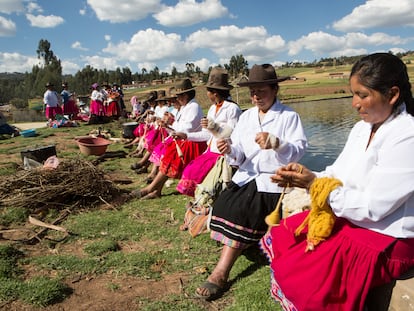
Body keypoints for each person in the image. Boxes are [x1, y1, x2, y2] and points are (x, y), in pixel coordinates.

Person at [261, 53, 414, 311]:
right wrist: (305, 176)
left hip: (388, 237)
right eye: (352, 94)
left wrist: (314, 186)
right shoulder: (361, 129)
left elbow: (375, 207)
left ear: (393, 94)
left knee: (310, 275)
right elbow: (336, 174)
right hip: (357, 220)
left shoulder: (407, 135)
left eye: (362, 95)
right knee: (285, 235)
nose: (354, 104)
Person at [195, 64, 308, 300]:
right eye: (253, 92)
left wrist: (276, 143)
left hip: (274, 178)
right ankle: (250, 243)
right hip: (248, 174)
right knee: (225, 203)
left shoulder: (289, 116)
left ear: (275, 89)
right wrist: (229, 149)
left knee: (243, 208)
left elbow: (298, 150)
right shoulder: (246, 117)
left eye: (262, 91)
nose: (256, 96)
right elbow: (240, 155)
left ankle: (220, 272)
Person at [131, 78, 206, 199]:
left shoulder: (193, 107)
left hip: (193, 143)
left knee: (170, 159)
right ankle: (156, 190)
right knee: (167, 156)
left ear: (186, 95)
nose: (177, 99)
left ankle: (151, 189)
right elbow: (178, 128)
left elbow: (186, 129)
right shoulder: (186, 107)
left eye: (179, 96)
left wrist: (171, 123)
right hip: (184, 141)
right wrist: (167, 124)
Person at [176, 67, 242, 197]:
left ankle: (205, 204)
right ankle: (201, 204)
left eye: (208, 92)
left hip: (222, 155)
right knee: (190, 171)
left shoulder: (232, 109)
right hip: (210, 152)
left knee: (197, 175)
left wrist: (214, 127)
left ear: (214, 93)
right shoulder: (212, 109)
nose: (207, 95)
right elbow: (207, 135)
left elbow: (233, 135)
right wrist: (186, 136)